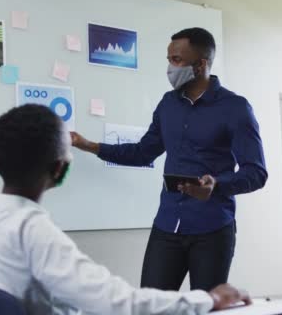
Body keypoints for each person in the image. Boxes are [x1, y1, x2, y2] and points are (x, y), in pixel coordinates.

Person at [0, 104, 251, 314]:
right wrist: (209, 300)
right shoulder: (33, 231)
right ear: (59, 167)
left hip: (212, 226)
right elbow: (119, 303)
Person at [71, 27, 268, 291]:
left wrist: (216, 185)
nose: (169, 67)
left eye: (176, 60)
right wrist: (89, 145)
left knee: (206, 309)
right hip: (167, 226)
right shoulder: (167, 104)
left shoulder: (235, 108)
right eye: (169, 59)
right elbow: (143, 152)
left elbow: (256, 173)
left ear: (200, 64)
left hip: (212, 228)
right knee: (151, 307)